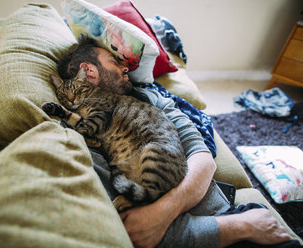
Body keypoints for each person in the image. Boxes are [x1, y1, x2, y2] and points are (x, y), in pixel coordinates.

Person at [57, 36, 295, 248]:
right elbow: (130, 231)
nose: (125, 66)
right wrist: (240, 225)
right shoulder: (78, 134)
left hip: (223, 213)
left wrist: (163, 212)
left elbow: (201, 156)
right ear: (89, 71)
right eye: (113, 61)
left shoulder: (150, 97)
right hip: (220, 227)